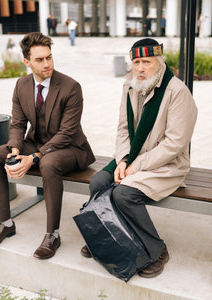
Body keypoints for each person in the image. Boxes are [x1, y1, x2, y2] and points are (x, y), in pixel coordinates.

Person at [79, 38, 198, 278]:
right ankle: (106, 238)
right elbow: (123, 128)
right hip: (133, 156)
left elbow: (174, 144)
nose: (141, 68)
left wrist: (135, 166)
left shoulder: (177, 91)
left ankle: (156, 249)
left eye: (147, 61)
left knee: (125, 194)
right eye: (136, 62)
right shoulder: (131, 85)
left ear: (159, 62)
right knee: (98, 183)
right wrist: (123, 160)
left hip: (166, 164)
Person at [0, 32, 95, 260]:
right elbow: (18, 124)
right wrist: (15, 149)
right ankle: (4, 223)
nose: (47, 64)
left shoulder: (71, 87)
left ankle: (52, 235)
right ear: (27, 62)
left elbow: (66, 133)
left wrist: (33, 157)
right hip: (36, 143)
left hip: (71, 149)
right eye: (40, 60)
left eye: (49, 57)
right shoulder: (21, 85)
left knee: (49, 163)